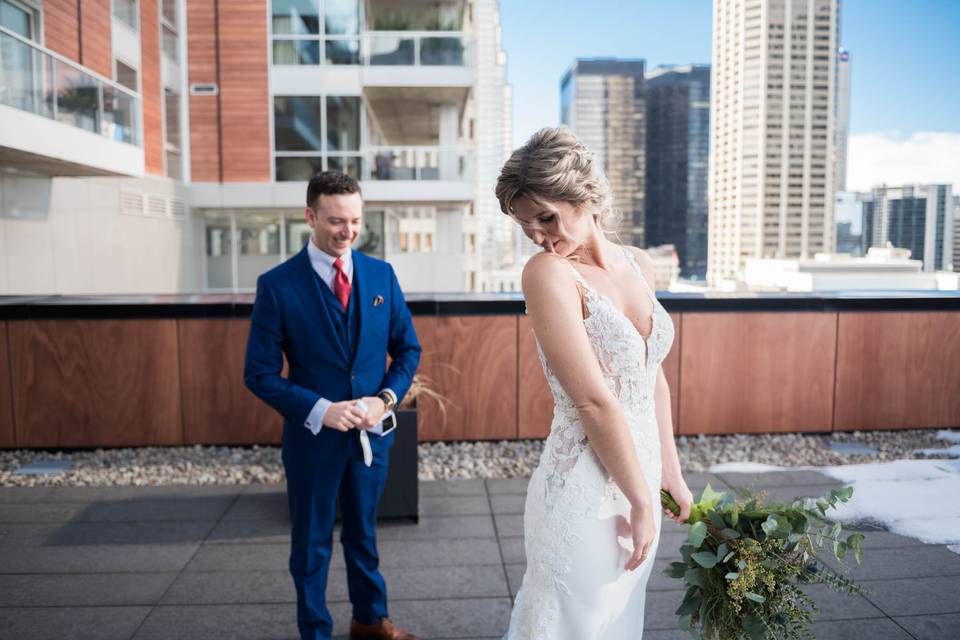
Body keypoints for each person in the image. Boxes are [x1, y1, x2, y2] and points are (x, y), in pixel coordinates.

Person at [494, 127, 694, 638]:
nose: (539, 235)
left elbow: (653, 379)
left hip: (641, 475)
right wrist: (642, 502)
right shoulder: (548, 274)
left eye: (545, 217)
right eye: (526, 225)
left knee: (618, 624)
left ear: (583, 196)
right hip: (584, 490)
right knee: (576, 626)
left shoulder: (639, 263)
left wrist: (669, 474)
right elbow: (592, 401)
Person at [243, 171, 422, 640]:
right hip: (312, 442)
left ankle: (369, 620)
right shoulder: (277, 286)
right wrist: (322, 409)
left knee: (364, 535)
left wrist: (384, 400)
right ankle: (315, 632)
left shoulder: (381, 274)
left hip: (371, 437)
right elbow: (258, 374)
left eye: (356, 221)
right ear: (310, 217)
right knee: (311, 546)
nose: (348, 231)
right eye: (337, 221)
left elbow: (408, 350)